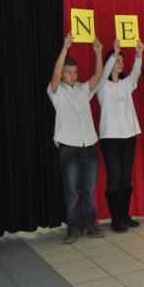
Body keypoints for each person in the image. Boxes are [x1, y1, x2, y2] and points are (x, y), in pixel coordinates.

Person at [48, 34, 110, 244]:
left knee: (89, 190)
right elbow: (55, 76)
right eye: (68, 73)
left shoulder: (83, 89)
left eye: (74, 72)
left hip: (89, 148)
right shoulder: (56, 91)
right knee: (72, 192)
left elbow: (98, 75)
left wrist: (98, 53)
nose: (72, 76)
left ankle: (90, 224)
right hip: (69, 150)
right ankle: (73, 227)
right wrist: (65, 49)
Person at [97, 38, 144, 233]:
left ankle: (125, 215)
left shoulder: (127, 83)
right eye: (117, 60)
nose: (121, 63)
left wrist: (139, 54)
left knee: (126, 176)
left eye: (122, 61)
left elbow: (136, 73)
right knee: (114, 176)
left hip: (129, 135)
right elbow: (104, 73)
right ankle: (115, 218)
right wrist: (114, 53)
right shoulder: (101, 85)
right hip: (110, 137)